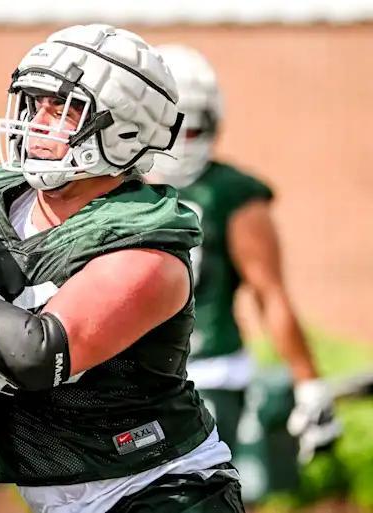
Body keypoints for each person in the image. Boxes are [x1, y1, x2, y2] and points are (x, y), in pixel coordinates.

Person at [0, 24, 246, 512]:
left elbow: (36, 355)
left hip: (159, 488)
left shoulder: (147, 240)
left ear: (125, 128)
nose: (37, 122)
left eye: (63, 109)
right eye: (34, 104)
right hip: (55, 496)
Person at [147, 45, 341, 465]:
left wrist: (308, 382)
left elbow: (269, 291)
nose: (180, 143)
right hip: (127, 377)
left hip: (209, 372)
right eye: (170, 128)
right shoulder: (114, 185)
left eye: (193, 129)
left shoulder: (231, 193)